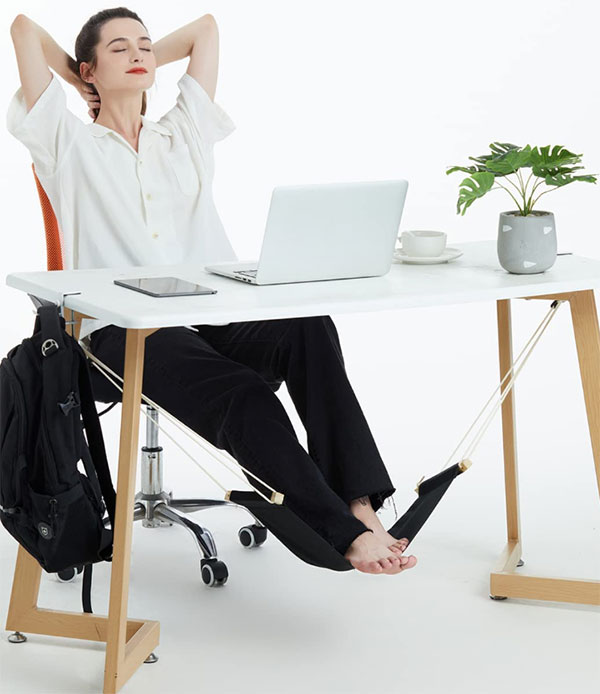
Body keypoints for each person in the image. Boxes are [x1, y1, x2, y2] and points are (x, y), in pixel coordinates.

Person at [7, 8, 417, 576]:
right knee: (244, 393)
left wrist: (125, 61)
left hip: (214, 313)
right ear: (89, 68)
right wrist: (80, 81)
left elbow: (205, 29)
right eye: (121, 47)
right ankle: (336, 528)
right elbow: (23, 28)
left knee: (308, 327)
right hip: (120, 331)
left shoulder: (183, 134)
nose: (141, 55)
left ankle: (357, 498)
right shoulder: (66, 143)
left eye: (146, 46)